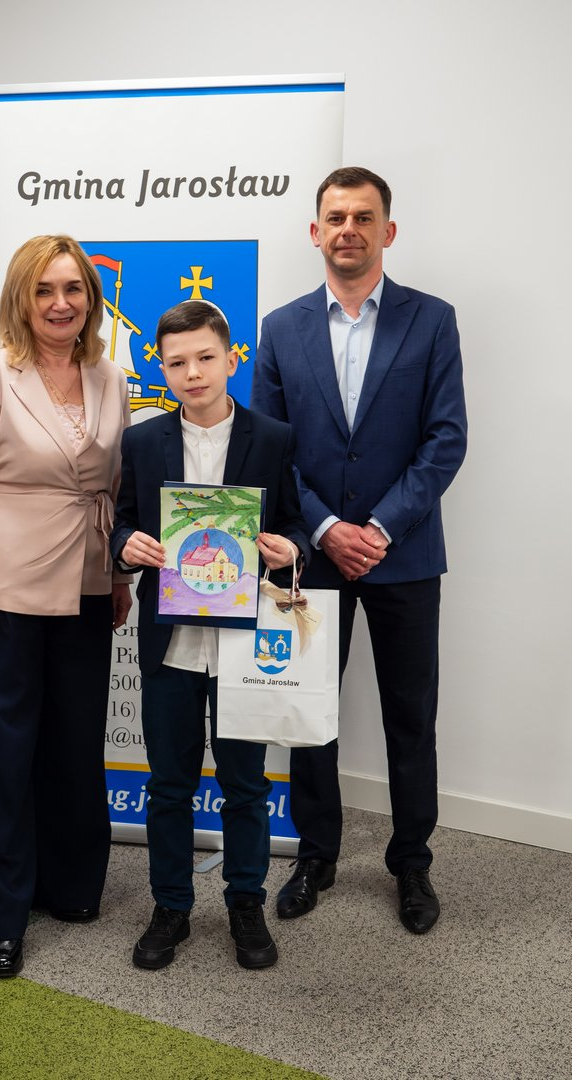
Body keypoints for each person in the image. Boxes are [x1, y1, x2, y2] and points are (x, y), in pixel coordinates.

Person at [251, 167, 467, 934]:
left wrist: (377, 528)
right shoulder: (280, 328)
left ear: (387, 231)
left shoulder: (432, 320)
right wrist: (323, 529)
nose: (349, 229)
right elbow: (270, 448)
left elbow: (446, 439)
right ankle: (316, 855)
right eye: (336, 217)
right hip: (311, 559)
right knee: (311, 711)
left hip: (402, 555)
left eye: (363, 217)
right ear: (316, 232)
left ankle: (412, 862)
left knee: (411, 715)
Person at [0, 234, 132, 977]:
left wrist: (118, 577)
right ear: (21, 299)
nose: (61, 303)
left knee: (74, 742)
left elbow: (113, 485)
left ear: (91, 298)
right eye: (45, 290)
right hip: (5, 590)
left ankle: (69, 885)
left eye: (74, 289)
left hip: (88, 580)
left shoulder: (110, 376)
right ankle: (1, 913)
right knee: (0, 754)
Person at [110, 300, 310, 970]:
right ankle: (171, 906)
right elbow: (121, 523)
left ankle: (246, 903)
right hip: (170, 644)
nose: (192, 373)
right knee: (169, 783)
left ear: (230, 359)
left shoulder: (273, 438)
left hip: (242, 644)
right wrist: (126, 544)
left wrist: (290, 549)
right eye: (177, 362)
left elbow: (297, 524)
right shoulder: (142, 442)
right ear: (161, 369)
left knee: (246, 785)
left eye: (204, 358)